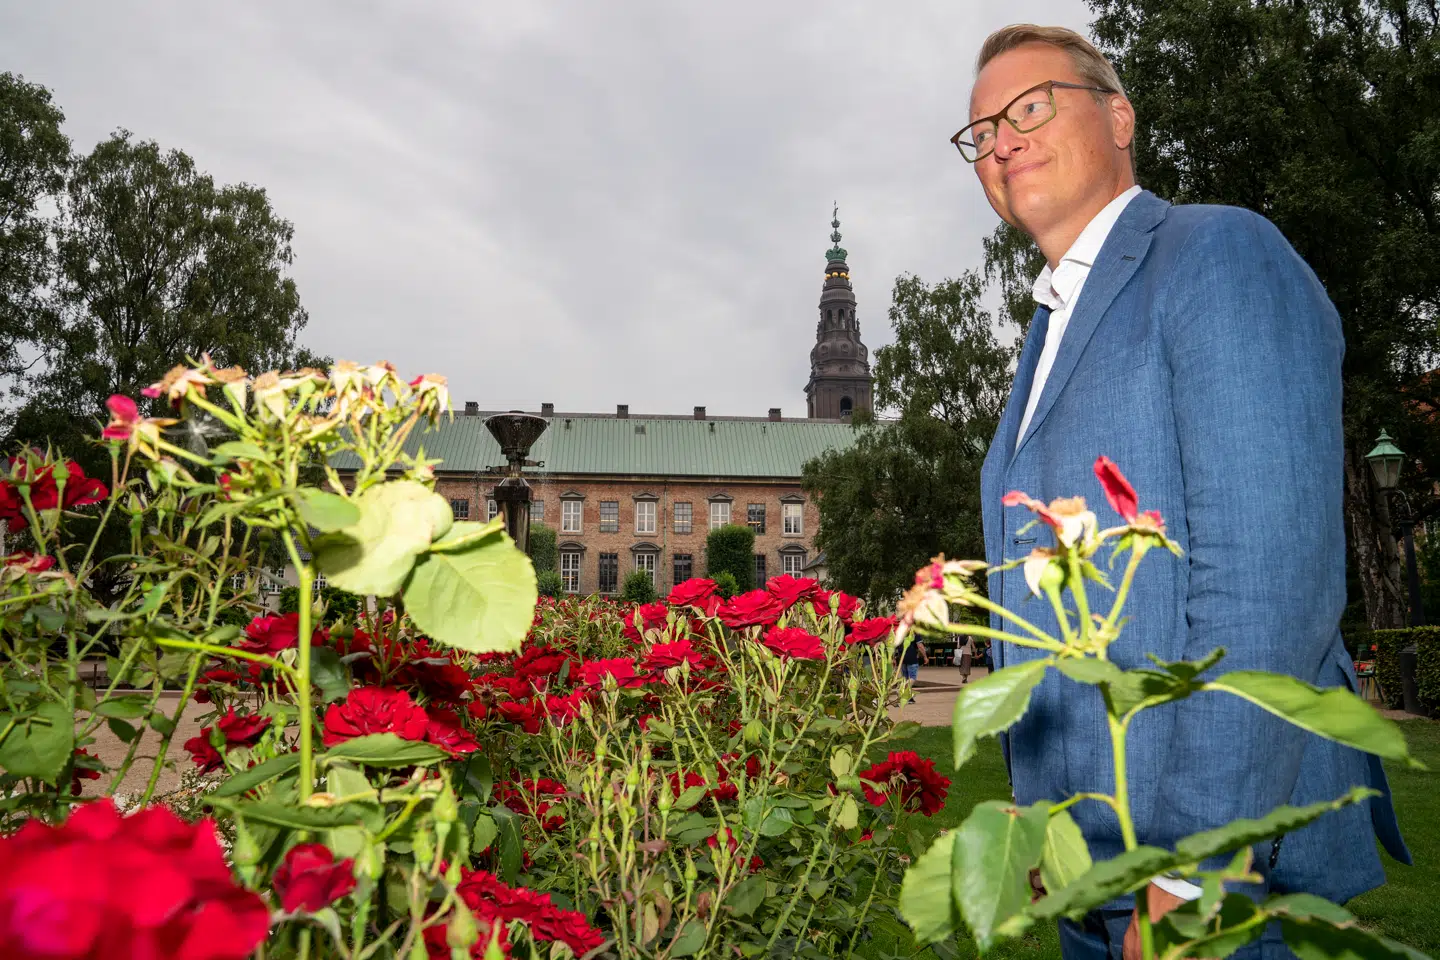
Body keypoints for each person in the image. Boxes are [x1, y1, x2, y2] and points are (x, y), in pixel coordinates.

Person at [962, 24, 1408, 960]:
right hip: (1091, 868)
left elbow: (1271, 585)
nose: (1001, 143)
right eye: (980, 134)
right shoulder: (1047, 333)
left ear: (1118, 116)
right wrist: (1046, 825)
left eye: (1029, 107)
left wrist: (1192, 869)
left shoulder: (1219, 256)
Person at [896, 637, 928, 704]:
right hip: (912, 658)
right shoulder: (915, 632)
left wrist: (893, 657)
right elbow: (920, 646)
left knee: (905, 678)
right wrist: (925, 656)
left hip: (902, 658)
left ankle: (909, 698)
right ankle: (901, 691)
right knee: (912, 678)